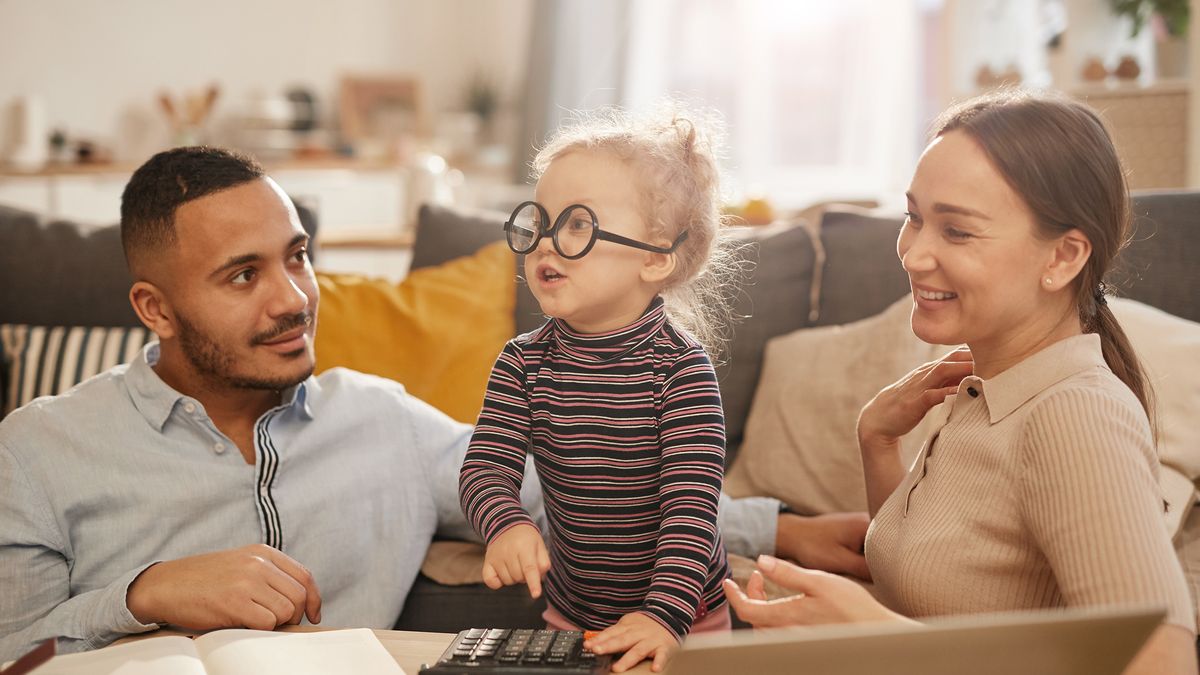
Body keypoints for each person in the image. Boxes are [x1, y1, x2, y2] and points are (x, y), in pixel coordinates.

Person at [0, 146, 866, 663]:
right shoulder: (40, 448)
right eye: (243, 275)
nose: (295, 298)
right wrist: (146, 592)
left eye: (298, 257)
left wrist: (778, 528)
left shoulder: (382, 420)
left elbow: (576, 492)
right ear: (154, 308)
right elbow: (12, 644)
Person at [722, 91, 1197, 674]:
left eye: (957, 231)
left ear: (1064, 257)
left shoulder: (1076, 414)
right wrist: (876, 442)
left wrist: (872, 634)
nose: (914, 255)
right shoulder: (984, 387)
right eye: (914, 218)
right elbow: (936, 578)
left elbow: (1162, 663)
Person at [459, 109, 738, 673]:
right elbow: (484, 467)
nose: (544, 244)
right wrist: (506, 522)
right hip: (572, 615)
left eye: (578, 224)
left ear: (656, 258)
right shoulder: (522, 363)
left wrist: (664, 617)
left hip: (689, 621)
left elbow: (691, 511)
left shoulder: (681, 371)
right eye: (538, 222)